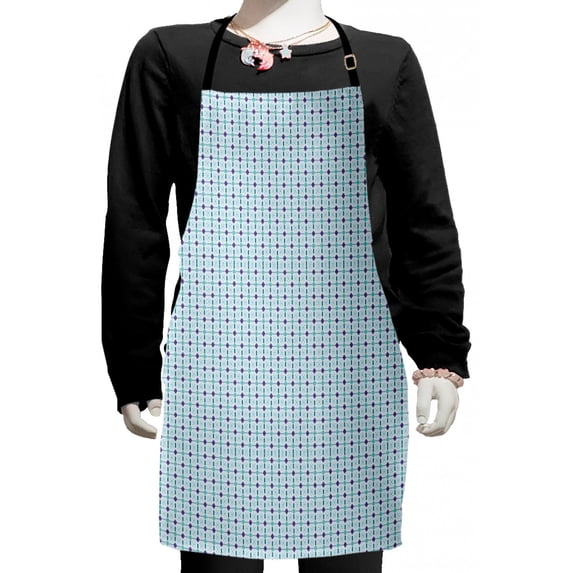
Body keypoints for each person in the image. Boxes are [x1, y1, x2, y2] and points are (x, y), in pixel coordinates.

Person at [101, 1, 471, 571]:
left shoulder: (384, 60)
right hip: (220, 371)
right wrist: (133, 365)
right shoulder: (172, 56)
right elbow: (135, 219)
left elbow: (421, 219)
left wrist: (438, 354)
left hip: (347, 375)